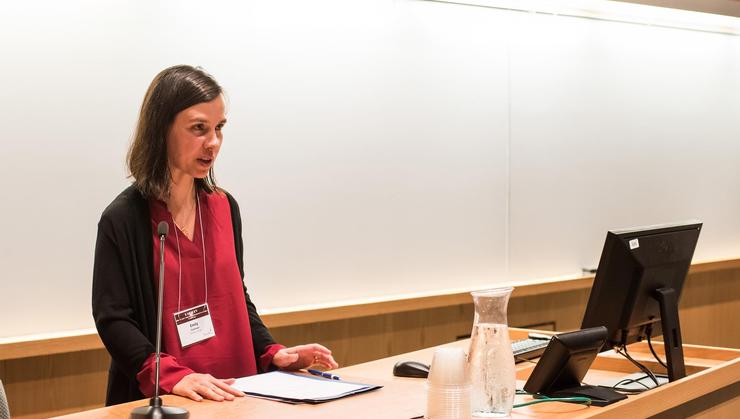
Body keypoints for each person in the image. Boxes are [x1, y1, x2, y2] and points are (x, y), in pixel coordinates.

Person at [92, 65, 338, 406]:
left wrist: (271, 351)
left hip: (239, 392)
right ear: (161, 129)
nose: (213, 142)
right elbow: (114, 319)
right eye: (199, 128)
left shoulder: (224, 206)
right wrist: (172, 375)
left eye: (219, 128)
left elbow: (236, 298)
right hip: (173, 397)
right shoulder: (123, 218)